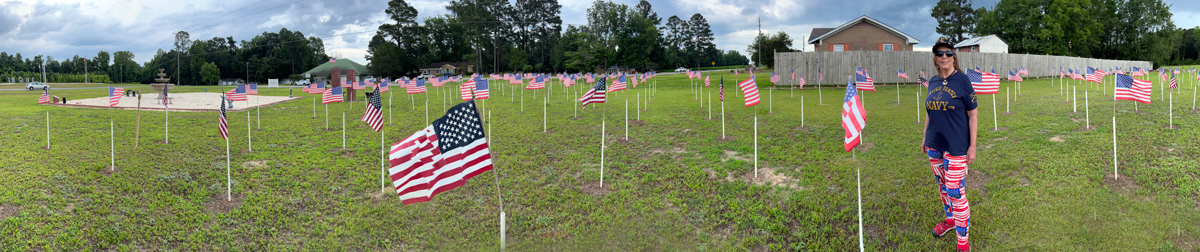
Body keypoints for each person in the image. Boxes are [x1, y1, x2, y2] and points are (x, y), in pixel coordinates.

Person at [921, 37, 978, 252]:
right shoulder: (933, 82)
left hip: (956, 145)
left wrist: (972, 147)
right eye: (939, 53)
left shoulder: (963, 80)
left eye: (948, 52)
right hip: (934, 143)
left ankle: (963, 242)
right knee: (943, 186)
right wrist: (925, 137)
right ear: (935, 58)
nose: (944, 56)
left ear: (954, 56)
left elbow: (972, 115)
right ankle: (950, 220)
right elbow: (929, 112)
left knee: (955, 191)